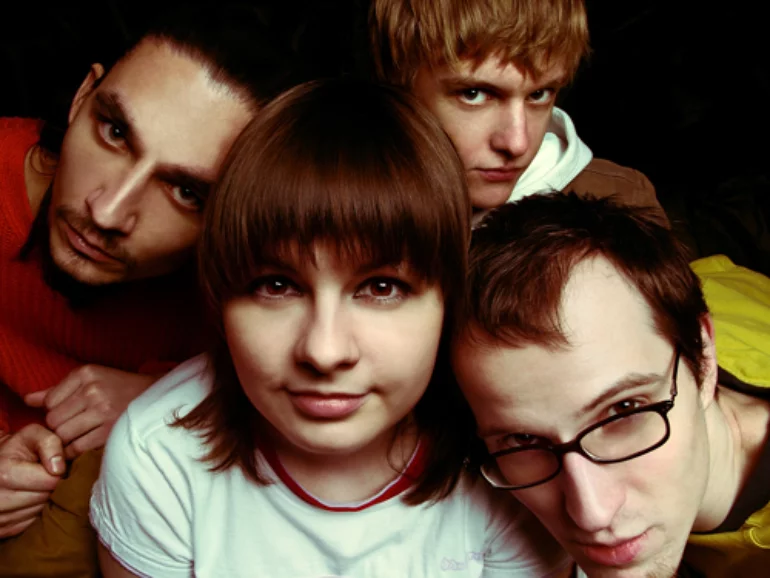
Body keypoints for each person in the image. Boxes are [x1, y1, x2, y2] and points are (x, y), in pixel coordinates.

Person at [90, 77, 570, 577]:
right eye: (277, 286)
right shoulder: (159, 457)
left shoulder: (516, 463)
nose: (323, 351)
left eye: (381, 288)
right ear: (220, 299)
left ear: (449, 299)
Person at [0, 2, 297, 571]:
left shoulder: (252, 287)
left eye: (186, 192)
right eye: (115, 132)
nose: (107, 211)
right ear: (82, 96)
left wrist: (166, 398)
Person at [452, 193, 770, 577]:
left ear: (703, 360)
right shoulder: (697, 287)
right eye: (524, 440)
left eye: (624, 411)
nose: (592, 515)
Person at [369, 0, 663, 221]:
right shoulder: (352, 205)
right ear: (399, 88)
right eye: (474, 94)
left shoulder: (620, 204)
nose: (517, 143)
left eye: (539, 94)